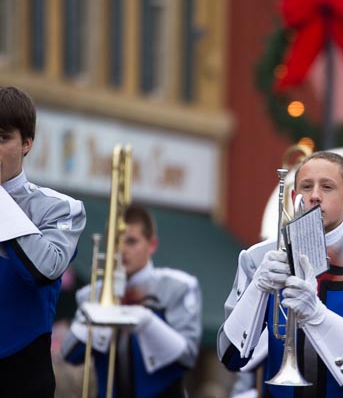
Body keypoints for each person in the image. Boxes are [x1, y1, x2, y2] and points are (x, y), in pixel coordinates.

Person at [218, 150, 343, 397]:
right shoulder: (257, 257)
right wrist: (258, 287)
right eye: (306, 187)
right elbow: (229, 356)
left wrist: (318, 316)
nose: (315, 196)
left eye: (327, 187)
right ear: (294, 196)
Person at [62, 203, 202, 398]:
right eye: (115, 241)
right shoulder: (93, 292)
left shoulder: (177, 287)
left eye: (131, 241)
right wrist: (101, 313)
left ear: (152, 244)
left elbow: (187, 358)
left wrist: (149, 324)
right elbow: (70, 353)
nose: (121, 250)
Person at [0, 86, 87, 397]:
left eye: (1, 138)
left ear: (27, 143)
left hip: (22, 376)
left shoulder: (60, 208)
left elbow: (42, 270)